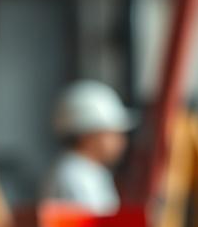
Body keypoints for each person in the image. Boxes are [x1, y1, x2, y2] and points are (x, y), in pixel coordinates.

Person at [43, 80, 134, 214]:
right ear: (87, 135)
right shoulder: (75, 176)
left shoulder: (88, 171)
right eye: (112, 133)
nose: (121, 141)